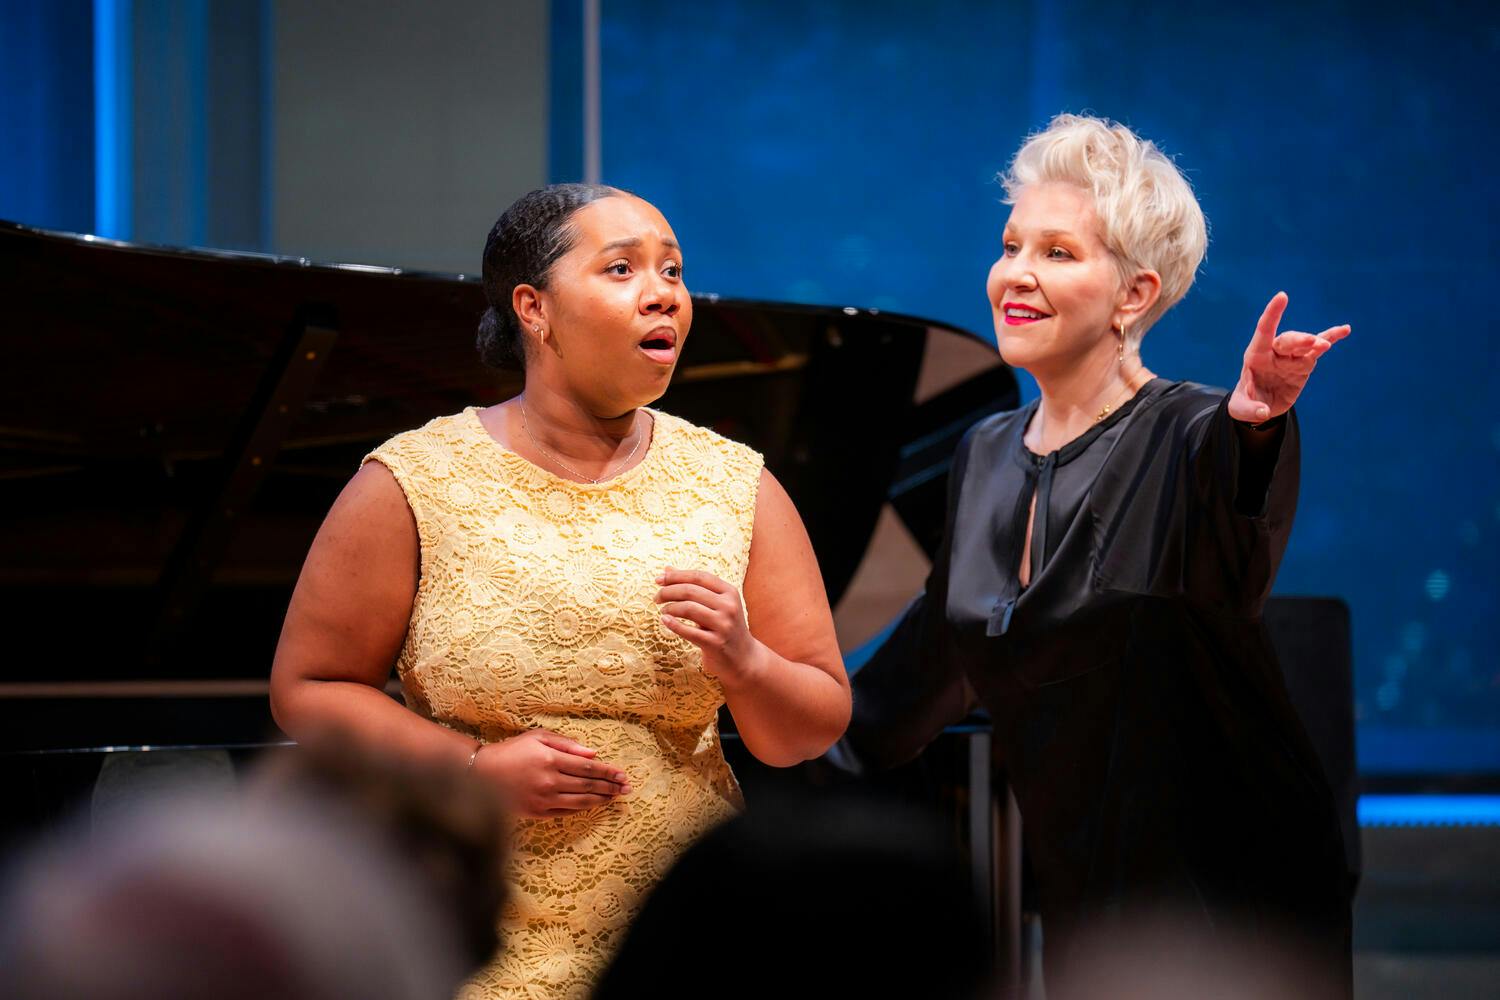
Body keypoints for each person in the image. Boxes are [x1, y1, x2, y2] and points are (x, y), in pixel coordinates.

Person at [269, 184, 849, 999]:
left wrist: (746, 663)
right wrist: (469, 768)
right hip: (475, 925)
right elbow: (309, 688)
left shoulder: (735, 483)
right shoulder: (414, 481)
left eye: (674, 271)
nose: (665, 295)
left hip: (685, 932)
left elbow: (808, 730)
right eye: (622, 269)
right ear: (533, 309)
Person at [833, 115, 1354, 994]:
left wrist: (1258, 423)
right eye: (1010, 245)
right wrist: (769, 714)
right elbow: (927, 665)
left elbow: (1236, 532)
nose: (1016, 274)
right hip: (1080, 889)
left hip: (1229, 897)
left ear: (1134, 294)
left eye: (1058, 253)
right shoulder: (986, 451)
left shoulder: (1194, 432)